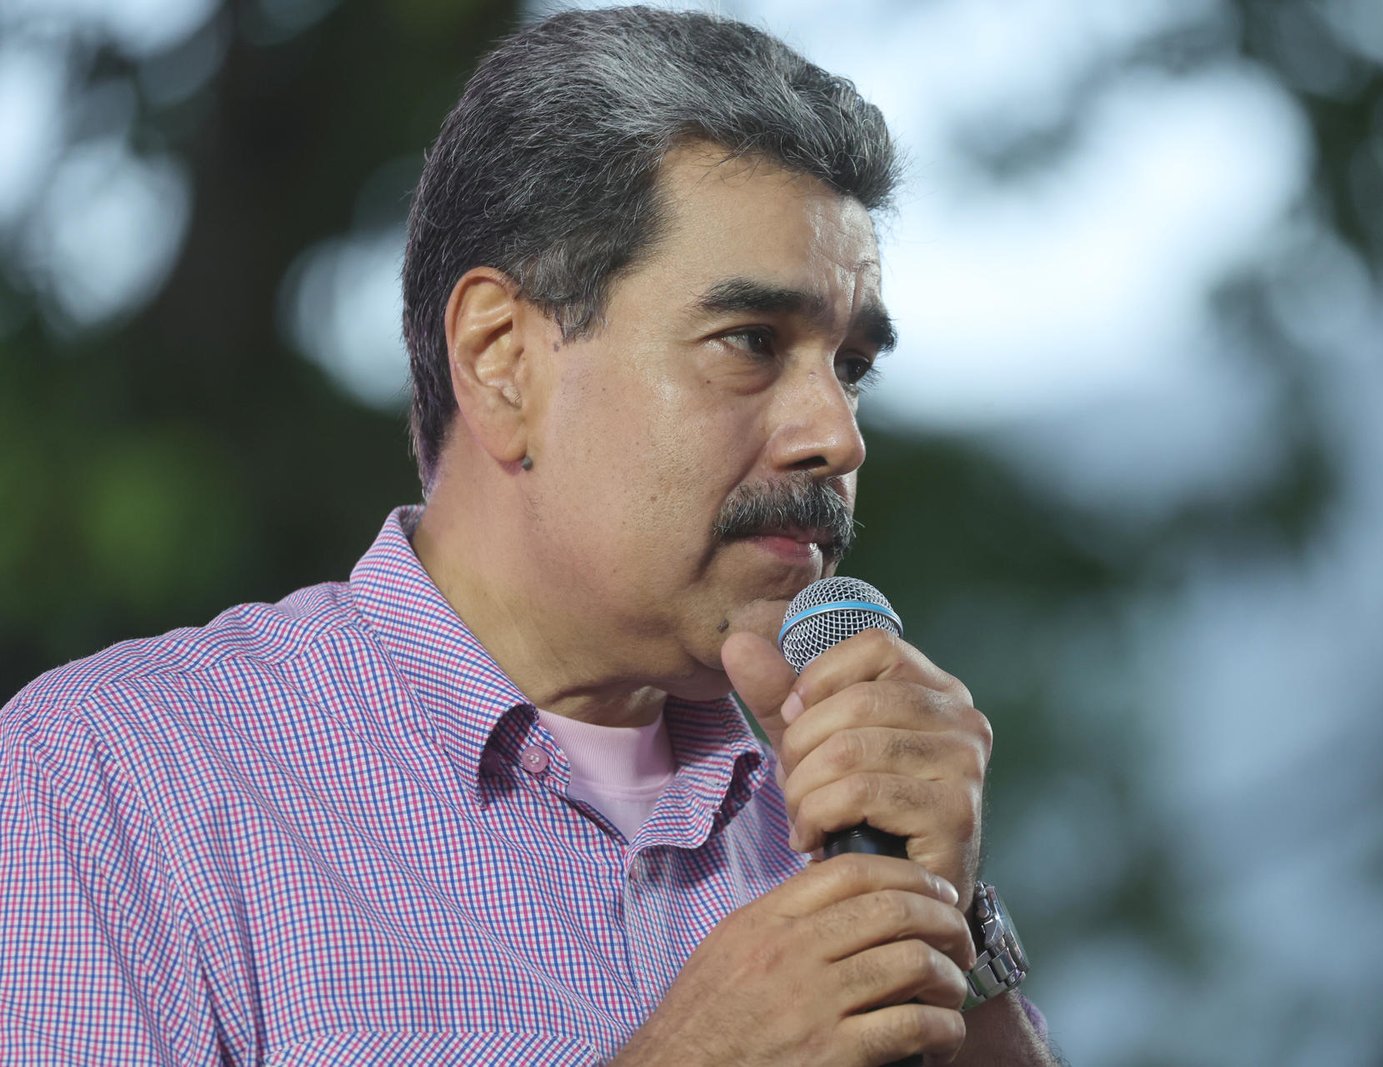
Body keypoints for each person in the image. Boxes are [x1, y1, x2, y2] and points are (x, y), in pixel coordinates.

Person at [1, 7, 1057, 1064]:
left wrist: (952, 926)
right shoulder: (119, 776)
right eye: (750, 342)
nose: (836, 435)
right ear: (501, 358)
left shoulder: (831, 812)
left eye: (851, 368)